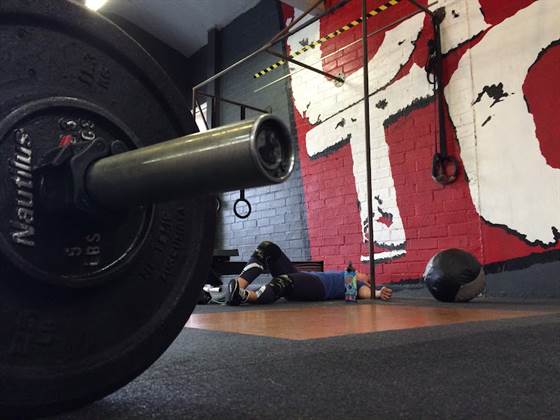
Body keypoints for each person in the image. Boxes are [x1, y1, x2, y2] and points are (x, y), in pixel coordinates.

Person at [226, 241, 392, 306]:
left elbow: (363, 292)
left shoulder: (352, 281)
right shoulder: (345, 275)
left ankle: (245, 296)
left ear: (366, 281)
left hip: (317, 287)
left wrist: (377, 293)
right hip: (304, 277)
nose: (360, 271)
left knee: (284, 281)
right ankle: (237, 286)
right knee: (268, 247)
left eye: (365, 274)